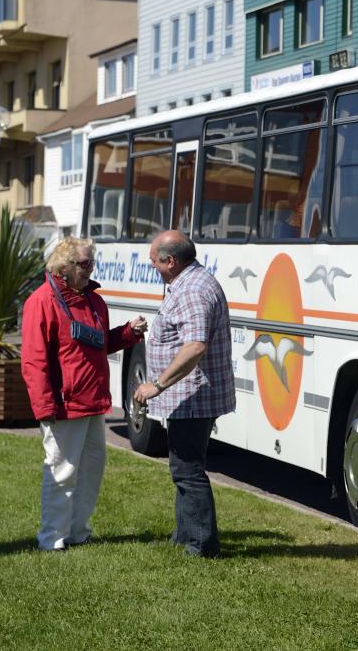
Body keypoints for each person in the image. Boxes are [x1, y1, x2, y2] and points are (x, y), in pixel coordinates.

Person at [20, 237, 147, 552]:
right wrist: (45, 406)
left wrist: (128, 334)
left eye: (91, 263)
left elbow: (98, 343)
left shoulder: (93, 301)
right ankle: (52, 538)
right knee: (62, 471)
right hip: (64, 405)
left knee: (91, 471)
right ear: (63, 267)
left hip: (92, 402)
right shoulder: (42, 301)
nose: (90, 269)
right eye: (84, 263)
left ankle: (77, 532)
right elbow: (34, 361)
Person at [132, 231, 234, 558]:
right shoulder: (191, 282)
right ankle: (184, 537)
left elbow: (195, 346)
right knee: (183, 468)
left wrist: (157, 384)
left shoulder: (192, 290)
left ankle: (201, 546)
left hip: (192, 396)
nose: (152, 267)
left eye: (154, 261)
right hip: (188, 396)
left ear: (171, 261)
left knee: (187, 470)